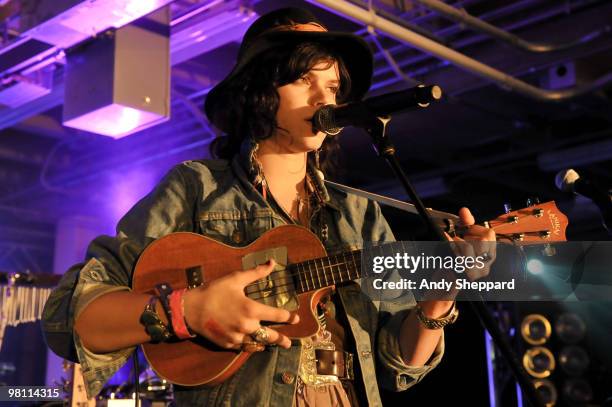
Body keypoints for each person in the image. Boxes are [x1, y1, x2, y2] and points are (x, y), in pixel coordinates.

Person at [42, 7, 495, 406]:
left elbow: (399, 366)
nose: (325, 100)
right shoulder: (195, 187)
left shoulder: (360, 216)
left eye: (334, 87)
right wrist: (189, 309)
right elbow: (71, 319)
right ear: (261, 89)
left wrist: (442, 294)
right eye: (304, 80)